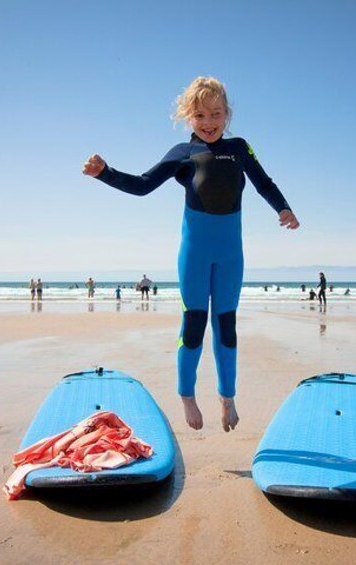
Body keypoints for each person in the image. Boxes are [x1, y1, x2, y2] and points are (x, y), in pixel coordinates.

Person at [83, 76, 299, 432]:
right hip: (195, 254)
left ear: (227, 115)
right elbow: (142, 185)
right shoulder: (183, 154)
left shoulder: (240, 148)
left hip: (231, 256)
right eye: (200, 115)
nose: (209, 122)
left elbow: (264, 182)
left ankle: (227, 397)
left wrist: (283, 209)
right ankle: (187, 395)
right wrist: (105, 173)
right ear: (189, 117)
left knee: (226, 326)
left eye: (216, 114)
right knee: (195, 325)